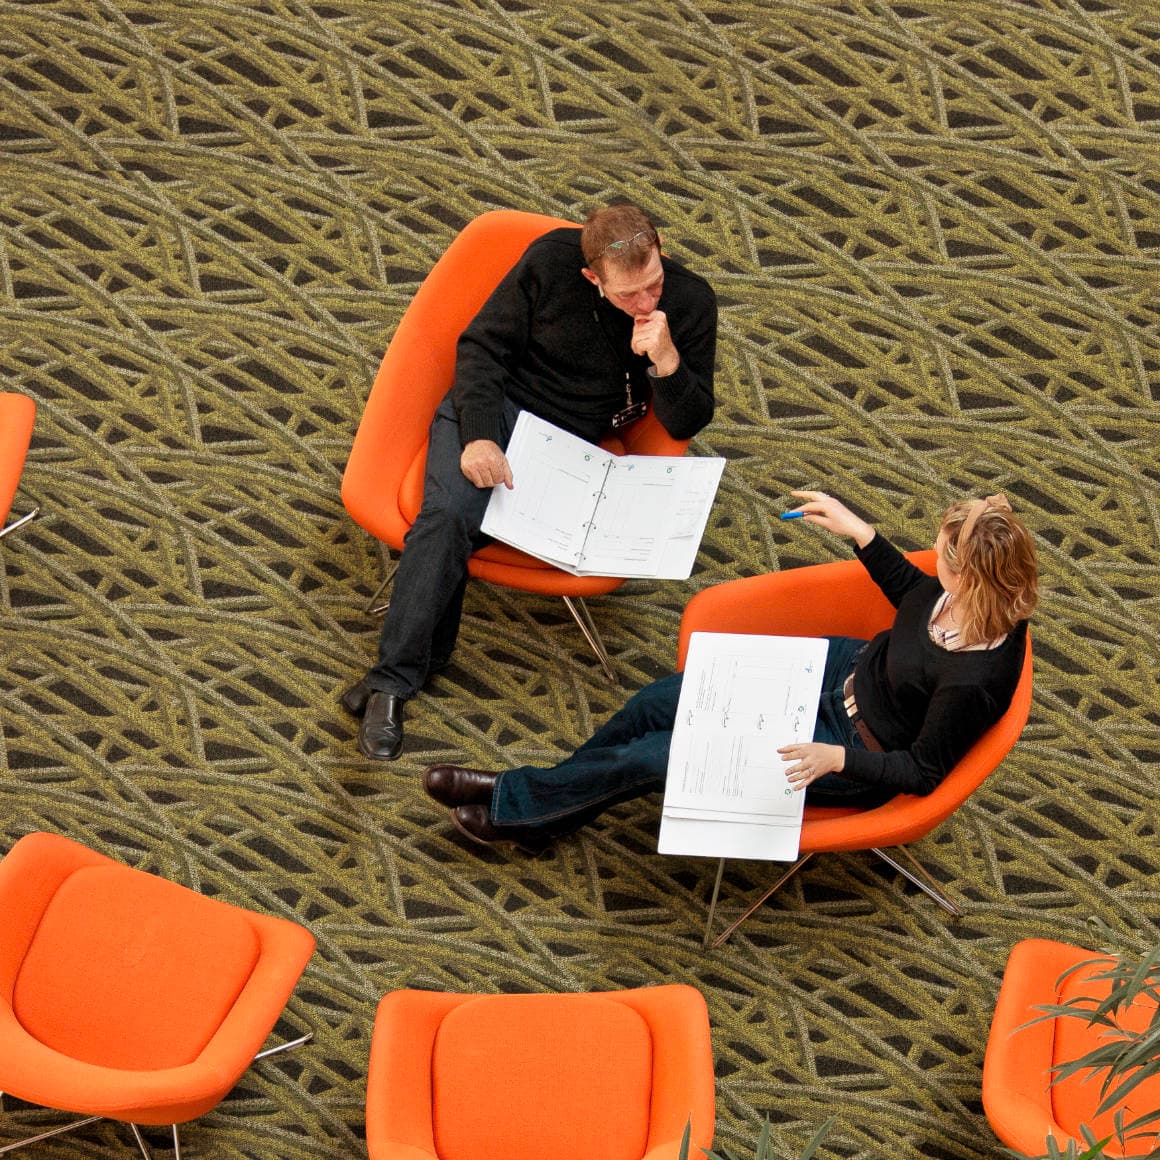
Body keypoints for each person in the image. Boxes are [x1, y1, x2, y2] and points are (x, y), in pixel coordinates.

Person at [421, 491, 1038, 853]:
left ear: (976, 576)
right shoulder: (961, 595)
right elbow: (913, 593)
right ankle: (543, 814)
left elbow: (924, 771)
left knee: (654, 758)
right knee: (653, 704)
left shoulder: (976, 678)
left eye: (944, 557)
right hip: (835, 670)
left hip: (848, 748)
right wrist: (860, 532)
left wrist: (835, 760)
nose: (935, 563)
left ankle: (516, 803)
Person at [345, 202, 718, 760]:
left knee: (455, 527)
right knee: (448, 516)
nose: (645, 304)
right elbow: (481, 347)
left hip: (573, 445)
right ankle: (391, 683)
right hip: (499, 408)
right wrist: (478, 436)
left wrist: (666, 361)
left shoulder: (689, 302)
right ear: (592, 278)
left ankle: (410, 665)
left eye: (653, 285)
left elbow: (688, 421)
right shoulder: (550, 263)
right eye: (627, 295)